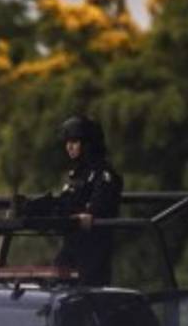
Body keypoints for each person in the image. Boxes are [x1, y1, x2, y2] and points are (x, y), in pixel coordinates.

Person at [21, 115, 124, 286]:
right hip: (72, 246)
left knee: (84, 293)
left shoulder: (104, 175)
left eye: (75, 141)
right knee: (53, 285)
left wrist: (81, 215)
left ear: (88, 143)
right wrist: (37, 207)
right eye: (67, 142)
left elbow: (97, 210)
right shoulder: (76, 175)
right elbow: (66, 203)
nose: (69, 147)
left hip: (93, 250)